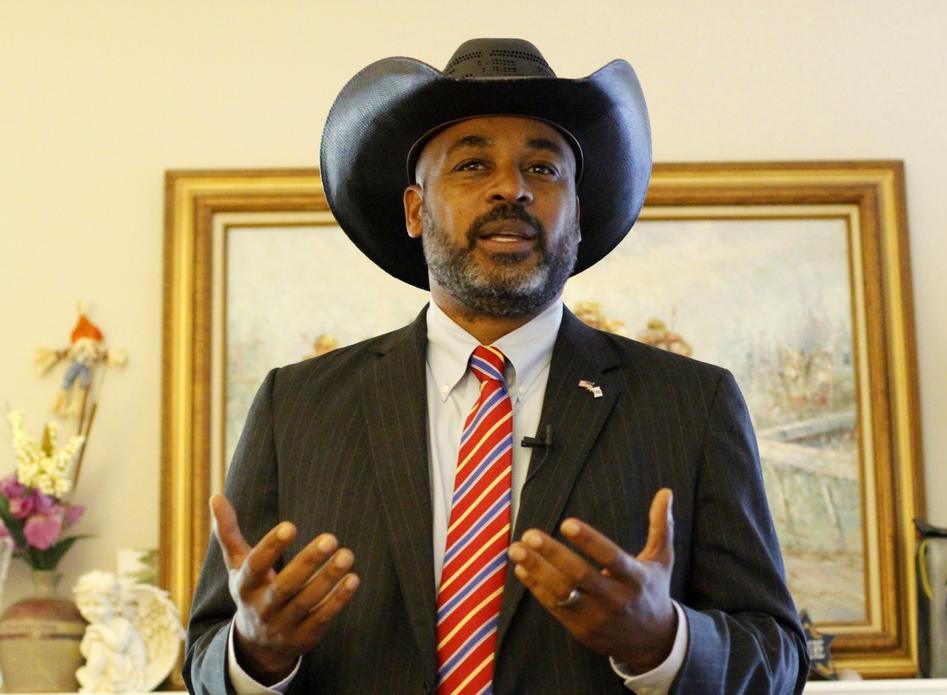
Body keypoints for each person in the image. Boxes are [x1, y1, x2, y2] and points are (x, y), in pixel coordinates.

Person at [184, 38, 808, 694]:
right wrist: (255, 653)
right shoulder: (298, 405)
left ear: (578, 211)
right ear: (415, 209)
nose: (511, 187)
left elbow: (779, 657)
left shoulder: (692, 403)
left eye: (542, 169)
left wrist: (664, 641)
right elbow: (204, 659)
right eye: (473, 164)